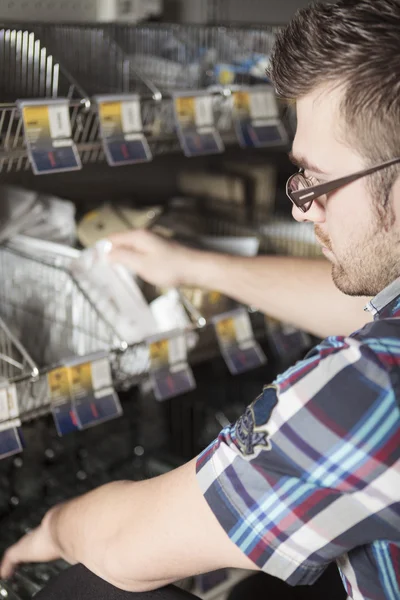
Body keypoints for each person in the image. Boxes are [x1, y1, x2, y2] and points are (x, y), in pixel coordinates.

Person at [1, 1, 400, 599]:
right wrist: (192, 264)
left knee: (82, 590)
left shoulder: (369, 389)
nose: (300, 207)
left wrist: (52, 528)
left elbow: (125, 546)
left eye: (316, 181)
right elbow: (364, 311)